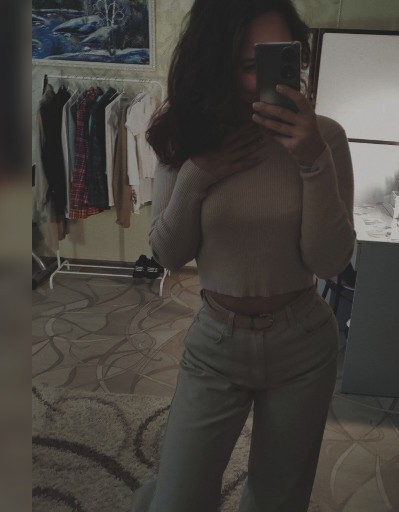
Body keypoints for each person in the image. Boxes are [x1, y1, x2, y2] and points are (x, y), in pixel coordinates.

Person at [131, 0, 355, 511]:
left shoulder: (326, 138)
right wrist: (198, 174)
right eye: (250, 65)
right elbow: (168, 254)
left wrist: (312, 162)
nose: (265, 81)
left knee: (278, 499)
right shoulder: (185, 134)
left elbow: (329, 262)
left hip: (303, 345)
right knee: (178, 499)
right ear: (215, 62)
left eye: (280, 59)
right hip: (216, 343)